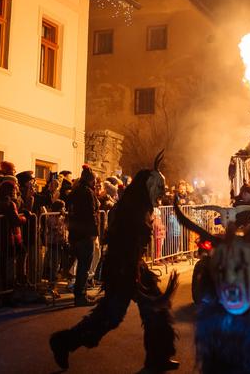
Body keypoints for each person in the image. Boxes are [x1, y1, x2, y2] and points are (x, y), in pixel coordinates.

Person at [50, 152, 179, 372]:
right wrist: (130, 274)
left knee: (155, 308)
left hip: (134, 265)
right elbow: (122, 243)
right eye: (158, 189)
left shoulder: (140, 205)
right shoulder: (131, 209)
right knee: (111, 315)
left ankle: (158, 356)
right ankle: (64, 341)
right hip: (122, 267)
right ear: (148, 186)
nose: (161, 194)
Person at [66, 165, 99, 307]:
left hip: (75, 233)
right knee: (84, 266)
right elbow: (91, 214)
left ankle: (80, 293)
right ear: (91, 180)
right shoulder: (87, 193)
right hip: (85, 234)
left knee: (81, 265)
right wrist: (94, 232)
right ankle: (80, 296)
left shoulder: (74, 192)